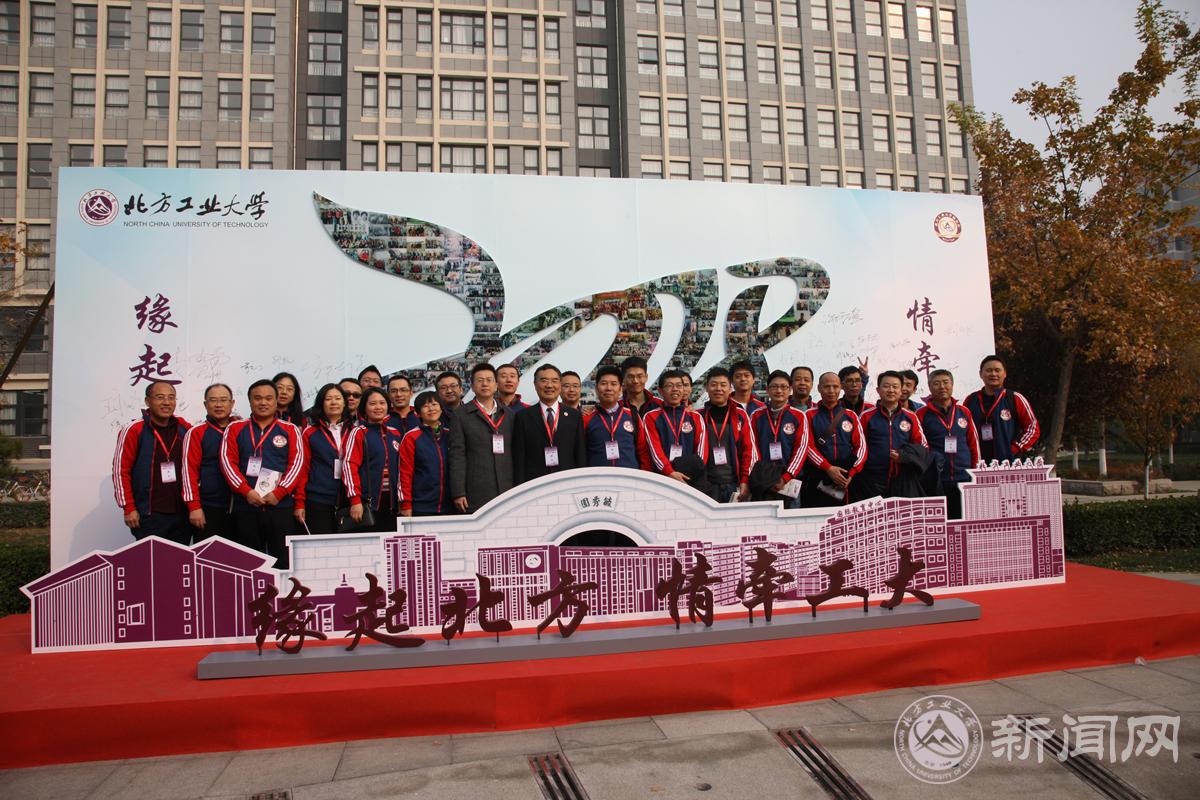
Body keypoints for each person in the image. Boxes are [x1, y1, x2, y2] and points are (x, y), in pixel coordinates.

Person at [220, 380, 305, 566]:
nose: (263, 402)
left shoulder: (290, 429)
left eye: (268, 398)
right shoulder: (234, 428)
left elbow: (297, 464)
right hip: (246, 505)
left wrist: (279, 493)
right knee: (249, 563)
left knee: (283, 562)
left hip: (280, 506)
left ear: (276, 401)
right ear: (250, 401)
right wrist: (246, 491)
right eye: (257, 398)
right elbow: (227, 463)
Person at [113, 380, 192, 544]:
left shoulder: (183, 428)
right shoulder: (134, 430)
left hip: (182, 513)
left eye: (171, 397)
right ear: (147, 401)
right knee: (152, 559)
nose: (166, 402)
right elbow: (121, 471)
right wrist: (128, 507)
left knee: (180, 558)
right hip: (149, 514)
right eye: (160, 397)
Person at [449, 364, 515, 514]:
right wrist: (458, 492)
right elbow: (457, 455)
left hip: (507, 487)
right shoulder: (460, 415)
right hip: (476, 489)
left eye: (489, 380)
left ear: (496, 385)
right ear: (472, 386)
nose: (485, 384)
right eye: (480, 380)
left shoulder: (509, 415)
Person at [917, 369, 980, 519]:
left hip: (964, 476)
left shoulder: (964, 411)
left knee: (963, 519)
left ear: (952, 385)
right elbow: (920, 446)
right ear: (930, 387)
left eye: (946, 382)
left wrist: (975, 471)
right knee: (939, 520)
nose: (942, 387)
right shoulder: (921, 414)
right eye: (936, 384)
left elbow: (973, 443)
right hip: (937, 478)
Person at [857, 371, 927, 499]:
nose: (891, 390)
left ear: (900, 391)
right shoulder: (866, 416)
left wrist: (904, 456)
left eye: (895, 387)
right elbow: (858, 446)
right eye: (886, 386)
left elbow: (922, 446)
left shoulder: (911, 417)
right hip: (872, 480)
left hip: (903, 479)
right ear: (878, 390)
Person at [513, 364, 586, 483]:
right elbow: (520, 458)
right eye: (544, 381)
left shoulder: (574, 416)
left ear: (560, 385)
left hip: (567, 482)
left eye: (554, 381)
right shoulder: (523, 417)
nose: (549, 385)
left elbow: (580, 455)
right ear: (535, 385)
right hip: (535, 484)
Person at [343, 386, 403, 533]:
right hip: (368, 503)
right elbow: (349, 466)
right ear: (364, 407)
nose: (378, 407)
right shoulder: (358, 432)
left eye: (382, 403)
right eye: (372, 403)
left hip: (393, 503)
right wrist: (355, 500)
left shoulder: (395, 433)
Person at [294, 384, 352, 535]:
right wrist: (300, 502)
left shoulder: (355, 431)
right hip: (318, 499)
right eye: (328, 399)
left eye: (338, 398)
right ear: (321, 403)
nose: (333, 402)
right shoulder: (310, 432)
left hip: (349, 500)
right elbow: (303, 469)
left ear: (344, 403)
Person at [181, 383, 236, 540]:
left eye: (223, 400)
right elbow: (188, 472)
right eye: (213, 400)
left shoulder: (240, 429)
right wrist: (194, 507)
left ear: (232, 403)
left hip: (240, 507)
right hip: (208, 507)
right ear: (205, 404)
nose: (218, 405)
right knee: (208, 553)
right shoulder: (196, 433)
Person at [804, 372, 866, 507]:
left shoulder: (851, 415)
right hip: (819, 477)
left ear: (841, 387)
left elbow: (861, 447)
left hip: (847, 478)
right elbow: (807, 446)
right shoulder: (809, 415)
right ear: (819, 388)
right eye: (826, 387)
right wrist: (828, 468)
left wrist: (852, 472)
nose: (831, 391)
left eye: (835, 386)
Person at [749, 370, 811, 504]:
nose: (779, 390)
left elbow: (801, 449)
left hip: (789, 481)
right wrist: (761, 475)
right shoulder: (756, 415)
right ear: (767, 390)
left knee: (791, 516)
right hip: (763, 480)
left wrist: (786, 477)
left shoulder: (799, 416)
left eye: (783, 387)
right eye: (774, 386)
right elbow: (752, 447)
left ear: (790, 390)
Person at [964, 355, 1040, 462]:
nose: (993, 374)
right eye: (989, 370)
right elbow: (963, 430)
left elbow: (1033, 428)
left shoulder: (1014, 398)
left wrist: (1015, 448)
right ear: (981, 374)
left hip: (1008, 463)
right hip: (978, 463)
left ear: (1005, 374)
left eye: (997, 370)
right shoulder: (971, 400)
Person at [698, 367, 754, 502]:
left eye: (723, 385)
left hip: (733, 483)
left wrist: (745, 480)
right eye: (713, 384)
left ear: (730, 388)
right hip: (707, 483)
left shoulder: (740, 415)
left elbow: (749, 449)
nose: (718, 389)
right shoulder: (698, 416)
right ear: (706, 388)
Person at [641, 370, 706, 480]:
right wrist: (669, 472)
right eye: (669, 386)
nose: (675, 389)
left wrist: (693, 472)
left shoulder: (695, 417)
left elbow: (701, 450)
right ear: (660, 391)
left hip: (690, 477)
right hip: (662, 477)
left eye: (679, 385)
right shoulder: (651, 417)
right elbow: (655, 450)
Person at [398, 392, 451, 516]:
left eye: (434, 404)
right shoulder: (411, 437)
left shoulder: (450, 434)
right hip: (421, 506)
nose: (431, 409)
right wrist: (406, 504)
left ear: (441, 409)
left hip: (450, 505)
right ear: (418, 413)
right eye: (425, 406)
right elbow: (405, 473)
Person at [584, 366, 643, 469]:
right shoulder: (587, 419)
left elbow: (643, 450)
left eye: (614, 384)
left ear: (620, 389)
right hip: (598, 476)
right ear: (596, 389)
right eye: (603, 383)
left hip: (629, 476)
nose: (608, 388)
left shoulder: (632, 415)